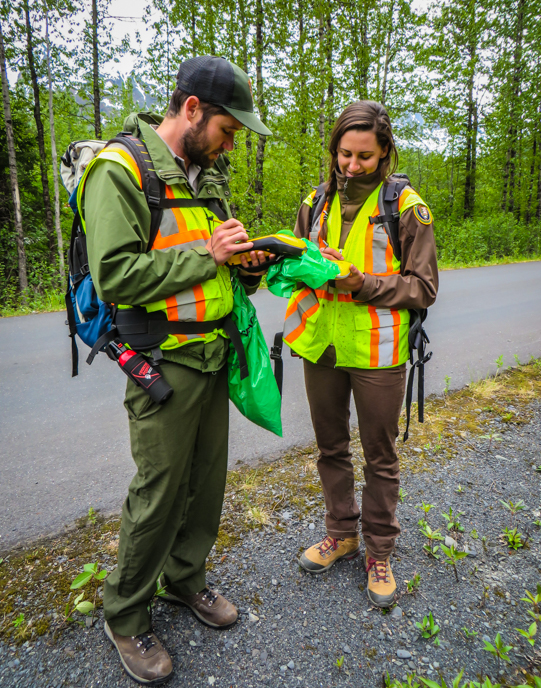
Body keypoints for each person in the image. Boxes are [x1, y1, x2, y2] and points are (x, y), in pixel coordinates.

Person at [80, 56, 272, 685]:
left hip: (213, 354)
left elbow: (212, 262)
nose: (231, 143)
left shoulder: (204, 175)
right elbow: (116, 274)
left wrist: (246, 265)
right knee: (159, 491)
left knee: (205, 482)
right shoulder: (120, 169)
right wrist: (207, 255)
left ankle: (184, 580)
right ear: (192, 110)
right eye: (228, 129)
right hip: (161, 359)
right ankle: (124, 613)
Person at [286, 101, 438, 607]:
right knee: (330, 448)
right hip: (320, 344)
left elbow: (423, 287)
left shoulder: (407, 207)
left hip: (378, 352)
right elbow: (303, 265)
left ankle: (379, 551)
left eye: (364, 157)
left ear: (385, 154)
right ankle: (342, 532)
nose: (351, 165)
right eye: (344, 154)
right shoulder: (316, 201)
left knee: (381, 456)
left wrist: (361, 282)